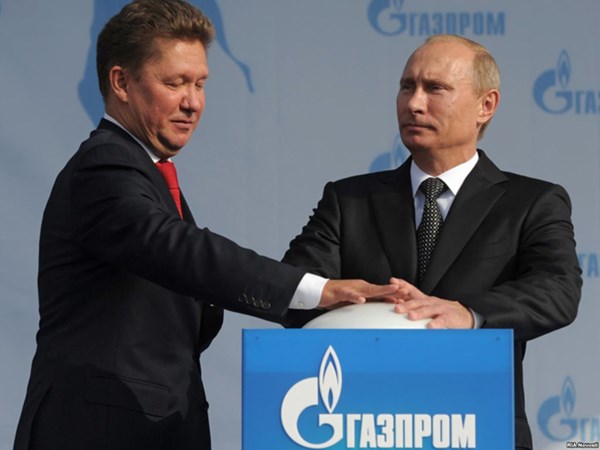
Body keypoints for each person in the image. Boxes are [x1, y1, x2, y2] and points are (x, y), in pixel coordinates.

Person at [12, 2, 399, 450]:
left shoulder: (149, 174)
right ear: (121, 82)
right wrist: (318, 289)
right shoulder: (103, 167)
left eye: (199, 84)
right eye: (174, 82)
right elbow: (179, 250)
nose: (192, 102)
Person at [283, 34, 582, 450]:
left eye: (435, 89)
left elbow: (557, 291)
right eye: (407, 86)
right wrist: (356, 301)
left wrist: (467, 313)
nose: (414, 103)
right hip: (360, 424)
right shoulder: (348, 199)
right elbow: (294, 290)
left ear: (486, 105)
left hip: (478, 425)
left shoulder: (532, 202)